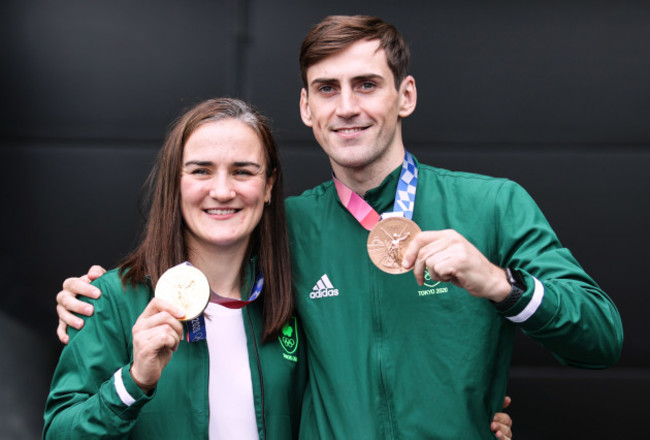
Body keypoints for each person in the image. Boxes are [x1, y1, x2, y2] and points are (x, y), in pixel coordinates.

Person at [43, 98, 307, 439]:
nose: (223, 191)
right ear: (175, 182)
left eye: (243, 171)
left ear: (269, 185)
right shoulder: (110, 299)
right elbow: (58, 434)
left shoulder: (293, 297)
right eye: (201, 171)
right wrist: (133, 382)